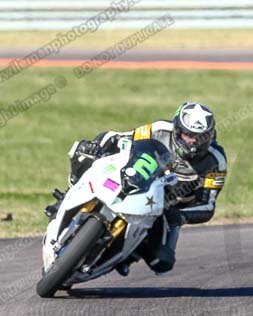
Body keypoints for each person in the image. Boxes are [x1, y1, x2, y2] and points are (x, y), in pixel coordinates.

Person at [45, 102, 227, 276]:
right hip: (137, 180)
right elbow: (117, 137)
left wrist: (180, 216)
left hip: (166, 209)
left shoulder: (216, 161)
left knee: (162, 262)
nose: (193, 142)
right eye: (188, 135)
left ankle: (126, 256)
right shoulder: (159, 129)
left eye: (201, 137)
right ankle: (66, 197)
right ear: (177, 130)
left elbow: (207, 205)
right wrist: (98, 147)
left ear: (211, 135)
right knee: (83, 153)